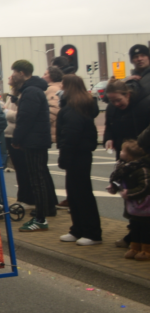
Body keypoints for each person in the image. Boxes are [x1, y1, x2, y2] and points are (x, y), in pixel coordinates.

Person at [56, 74, 101, 245]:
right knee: (75, 193)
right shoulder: (78, 106)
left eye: (63, 85)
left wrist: (64, 157)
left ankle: (92, 233)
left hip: (77, 155)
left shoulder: (73, 109)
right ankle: (78, 229)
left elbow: (70, 135)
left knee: (81, 194)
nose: (60, 88)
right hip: (79, 154)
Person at [9, 60, 54, 232]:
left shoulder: (30, 92)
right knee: (38, 178)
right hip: (36, 140)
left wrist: (17, 139)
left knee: (37, 179)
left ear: (21, 73)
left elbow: (25, 119)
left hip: (34, 142)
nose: (12, 75)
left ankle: (40, 218)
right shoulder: (33, 90)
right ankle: (43, 213)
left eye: (14, 72)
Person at [108, 140, 150, 260]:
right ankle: (135, 247)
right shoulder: (125, 167)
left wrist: (130, 193)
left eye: (122, 150)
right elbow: (120, 181)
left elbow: (146, 187)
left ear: (129, 155)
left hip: (145, 206)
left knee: (145, 228)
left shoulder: (142, 169)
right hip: (133, 205)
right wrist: (114, 187)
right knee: (135, 226)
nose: (120, 152)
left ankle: (146, 250)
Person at [104, 79, 150, 159]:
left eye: (119, 100)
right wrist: (109, 138)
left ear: (127, 95)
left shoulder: (145, 105)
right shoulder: (111, 108)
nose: (116, 104)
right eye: (112, 101)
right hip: (123, 153)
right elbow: (109, 127)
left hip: (143, 152)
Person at [43, 66, 63, 146]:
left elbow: (54, 109)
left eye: (45, 74)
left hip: (52, 130)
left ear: (52, 76)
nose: (43, 76)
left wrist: (45, 123)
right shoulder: (58, 87)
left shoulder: (52, 89)